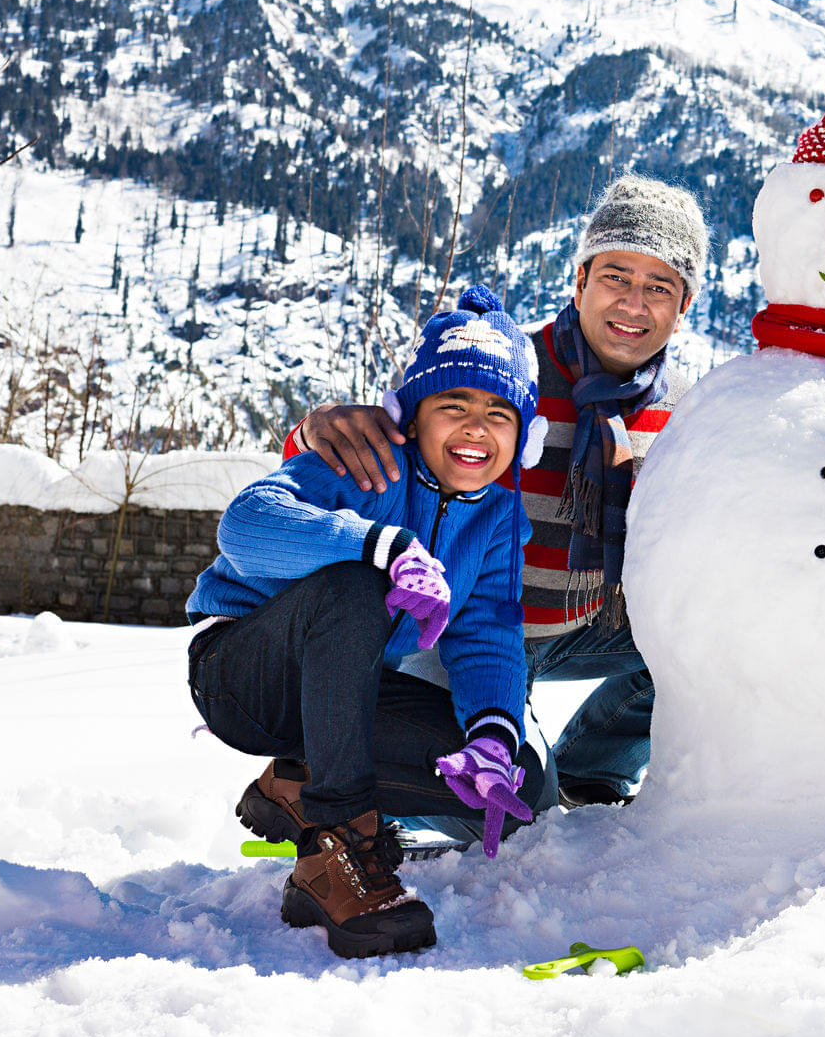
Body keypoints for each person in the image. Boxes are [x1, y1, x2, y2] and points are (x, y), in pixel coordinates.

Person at [288, 175, 708, 809]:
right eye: (616, 277)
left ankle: (593, 771)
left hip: (582, 627)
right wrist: (312, 432)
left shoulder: (680, 410)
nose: (632, 304)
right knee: (504, 801)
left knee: (710, 644)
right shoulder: (505, 373)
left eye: (659, 288)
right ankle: (370, 795)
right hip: (466, 633)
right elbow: (368, 456)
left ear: (684, 306)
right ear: (580, 280)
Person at [186, 286, 544, 958]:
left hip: (344, 693)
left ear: (522, 437)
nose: (475, 428)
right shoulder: (363, 464)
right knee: (357, 586)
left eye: (499, 413)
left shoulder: (497, 519)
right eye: (453, 406)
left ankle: (294, 784)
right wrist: (383, 545)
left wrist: (492, 737)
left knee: (493, 774)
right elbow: (246, 524)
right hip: (245, 675)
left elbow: (486, 633)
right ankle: (337, 849)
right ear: (412, 418)